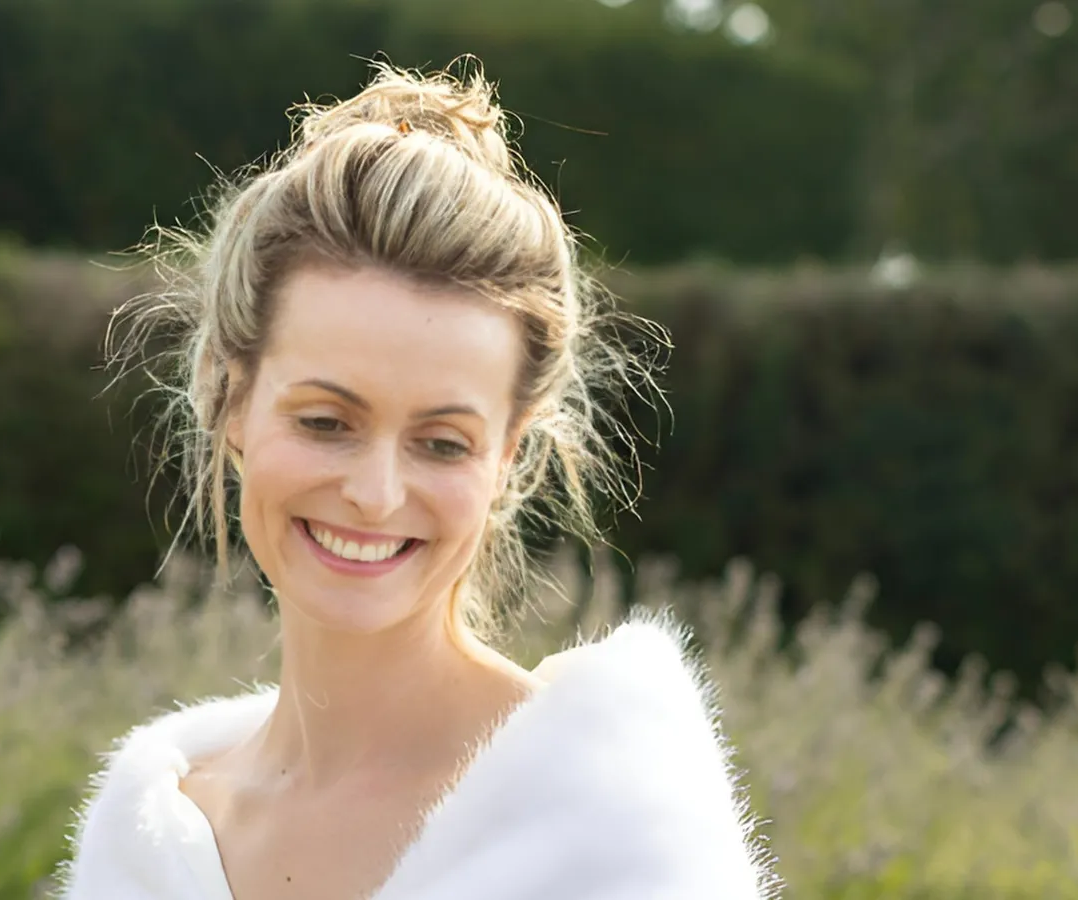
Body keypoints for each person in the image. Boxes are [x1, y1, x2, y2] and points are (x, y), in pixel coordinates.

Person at [56, 61, 778, 900]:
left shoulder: (613, 818)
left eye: (442, 443)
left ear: (509, 454)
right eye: (326, 422)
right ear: (230, 398)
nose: (376, 492)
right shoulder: (145, 842)